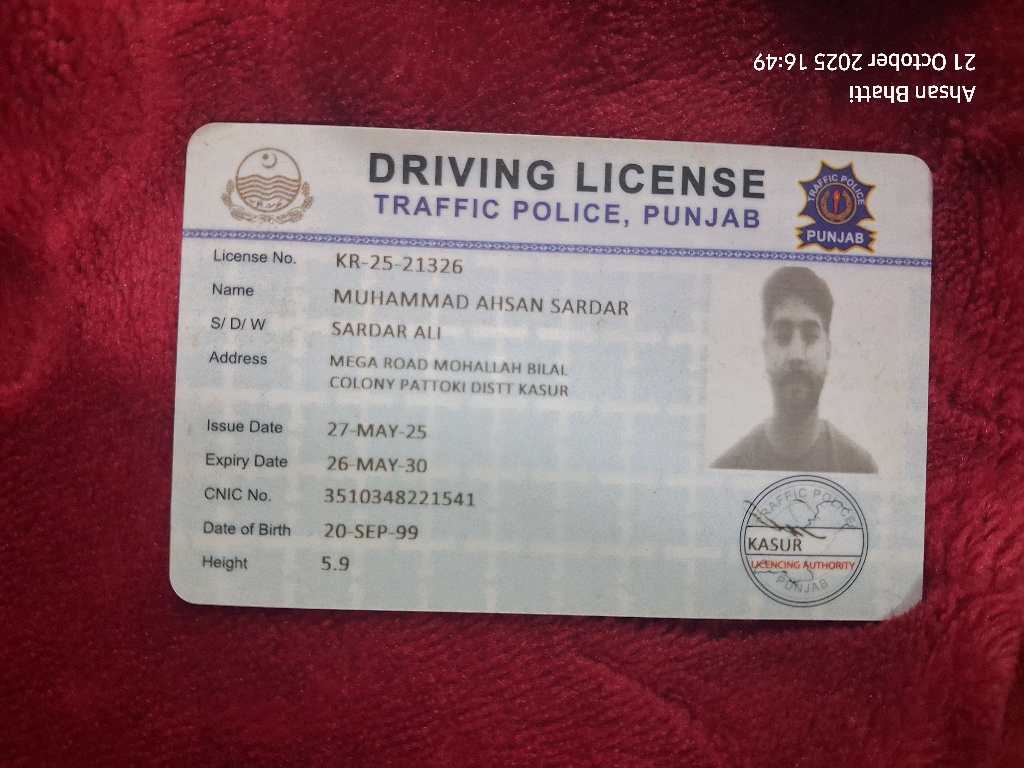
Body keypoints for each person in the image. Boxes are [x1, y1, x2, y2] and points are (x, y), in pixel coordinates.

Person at [712, 266, 877, 473]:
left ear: (828, 351)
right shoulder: (728, 469)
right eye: (782, 336)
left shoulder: (859, 467)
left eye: (810, 337)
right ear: (766, 349)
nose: (796, 355)